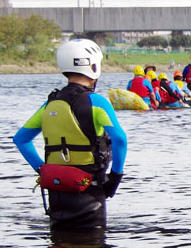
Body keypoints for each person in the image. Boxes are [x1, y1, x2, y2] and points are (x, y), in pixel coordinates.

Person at [12, 39, 127, 230]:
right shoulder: (97, 102)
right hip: (90, 192)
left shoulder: (50, 103)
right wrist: (115, 178)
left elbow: (21, 140)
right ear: (93, 66)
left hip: (57, 193)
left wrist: (43, 170)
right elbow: (120, 140)